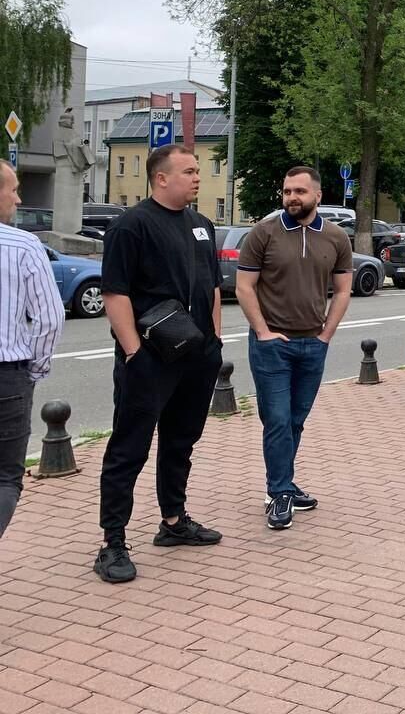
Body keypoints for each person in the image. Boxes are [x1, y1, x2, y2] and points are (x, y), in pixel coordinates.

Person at [95, 144, 224, 583]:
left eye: (197, 171)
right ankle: (112, 542)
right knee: (129, 448)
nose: (197, 177)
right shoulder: (130, 227)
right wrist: (133, 353)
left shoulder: (202, 225)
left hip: (198, 357)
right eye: (188, 171)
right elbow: (115, 293)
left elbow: (211, 290)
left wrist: (215, 341)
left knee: (180, 441)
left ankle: (173, 522)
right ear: (161, 178)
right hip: (149, 358)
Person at [236, 166, 353, 531]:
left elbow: (344, 290)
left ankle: (284, 482)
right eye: (287, 191)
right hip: (272, 346)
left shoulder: (336, 238)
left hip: (312, 344)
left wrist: (325, 336)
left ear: (317, 196)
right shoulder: (264, 233)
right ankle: (278, 493)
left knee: (296, 421)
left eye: (299, 191)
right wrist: (263, 331)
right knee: (278, 421)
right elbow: (244, 287)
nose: (291, 198)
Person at [0, 162, 64, 539]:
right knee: (6, 476)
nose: (19, 198)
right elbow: (50, 318)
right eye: (13, 189)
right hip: (8, 374)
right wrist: (35, 369)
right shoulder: (23, 245)